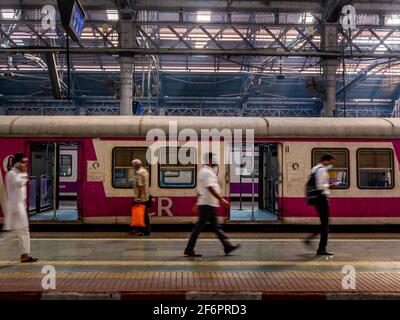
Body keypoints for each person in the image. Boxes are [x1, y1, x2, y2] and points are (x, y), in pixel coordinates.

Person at [184, 152, 240, 257]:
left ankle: (227, 246)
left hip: (208, 204)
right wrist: (222, 200)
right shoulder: (206, 172)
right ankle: (189, 249)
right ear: (209, 160)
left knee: (215, 227)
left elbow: (200, 189)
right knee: (200, 228)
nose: (215, 161)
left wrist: (198, 201)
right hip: (207, 205)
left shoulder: (206, 172)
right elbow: (210, 188)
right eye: (213, 159)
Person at [1, 153, 38, 263]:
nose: (25, 164)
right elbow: (19, 183)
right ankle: (24, 254)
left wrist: (23, 173)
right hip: (15, 210)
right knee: (11, 235)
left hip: (20, 208)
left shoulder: (18, 173)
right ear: (17, 163)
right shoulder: (12, 174)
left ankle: (25, 255)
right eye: (23, 162)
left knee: (23, 232)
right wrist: (24, 174)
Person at [304, 153, 335, 256]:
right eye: (330, 161)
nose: (331, 163)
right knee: (326, 224)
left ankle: (311, 240)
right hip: (321, 198)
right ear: (326, 161)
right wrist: (330, 184)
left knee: (325, 223)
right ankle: (321, 248)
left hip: (317, 199)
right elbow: (320, 186)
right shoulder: (321, 170)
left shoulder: (315, 168)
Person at [131, 159, 151, 236]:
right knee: (144, 215)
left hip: (141, 198)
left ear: (136, 165)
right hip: (145, 196)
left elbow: (140, 186)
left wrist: (138, 198)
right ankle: (144, 230)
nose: (132, 167)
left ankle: (143, 231)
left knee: (141, 215)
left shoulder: (139, 173)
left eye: (133, 165)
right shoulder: (145, 171)